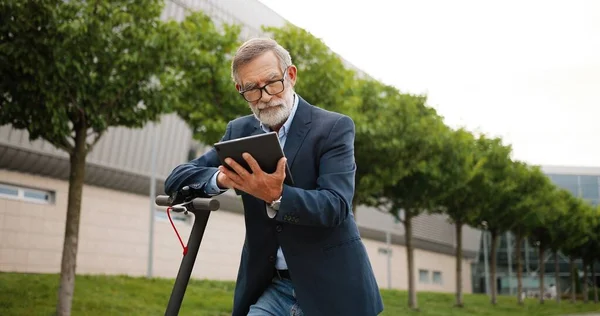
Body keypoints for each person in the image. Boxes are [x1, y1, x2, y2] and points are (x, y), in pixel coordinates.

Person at [164, 37, 383, 316]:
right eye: (252, 90)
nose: (265, 96)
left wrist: (277, 195)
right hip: (274, 290)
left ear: (290, 75)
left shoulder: (334, 128)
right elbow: (178, 178)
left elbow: (335, 206)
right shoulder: (239, 132)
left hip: (333, 291)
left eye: (272, 83)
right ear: (239, 89)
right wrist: (222, 180)